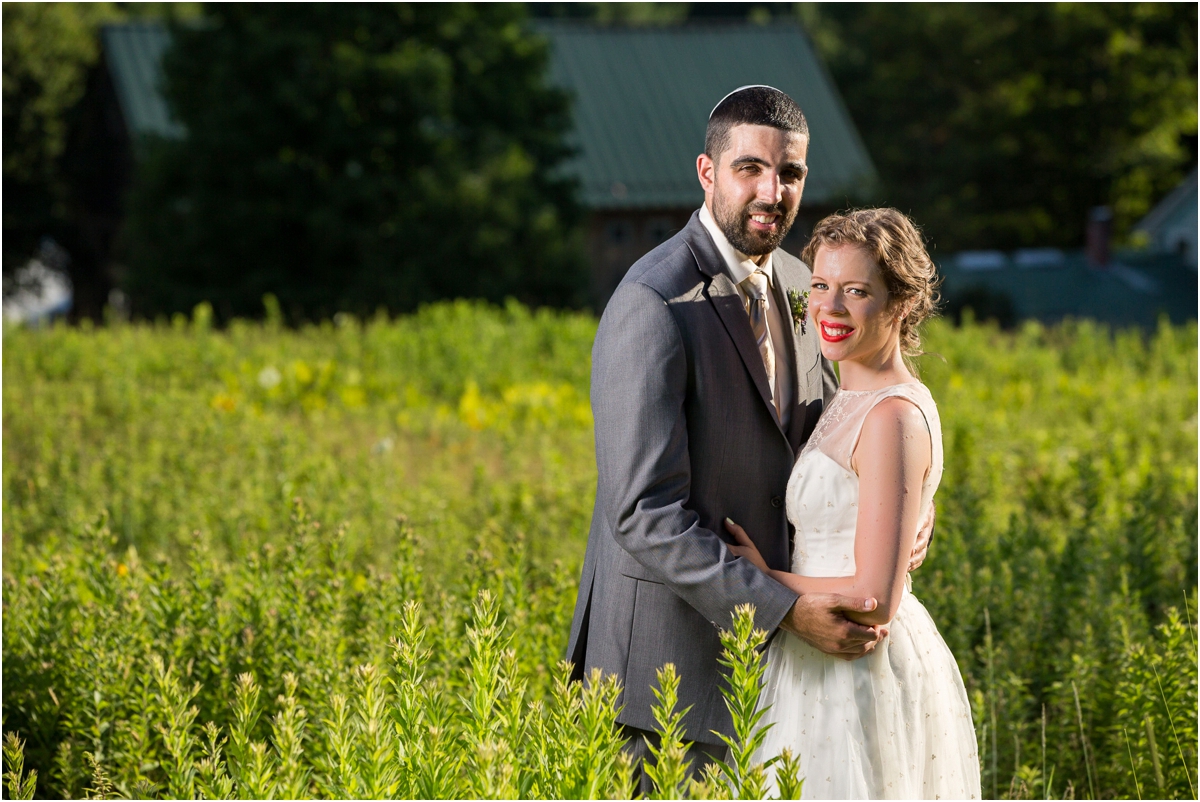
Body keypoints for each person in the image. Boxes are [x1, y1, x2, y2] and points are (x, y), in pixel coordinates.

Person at [565, 86, 933, 793]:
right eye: (750, 169)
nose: (772, 191)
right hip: (661, 683)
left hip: (778, 682)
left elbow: (843, 431)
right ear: (707, 173)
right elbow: (644, 513)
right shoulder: (652, 304)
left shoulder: (803, 286)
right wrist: (785, 608)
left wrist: (912, 502)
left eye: (790, 173)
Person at [725, 208, 981, 798]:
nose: (830, 308)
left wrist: (765, 580)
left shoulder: (892, 415)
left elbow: (874, 598)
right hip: (809, 655)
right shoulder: (844, 392)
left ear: (902, 304)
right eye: (820, 285)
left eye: (857, 291)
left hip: (854, 665)